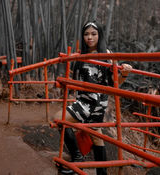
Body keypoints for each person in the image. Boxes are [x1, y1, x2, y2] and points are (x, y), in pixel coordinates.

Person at [54, 21, 133, 175]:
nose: (89, 37)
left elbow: (112, 82)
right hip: (84, 99)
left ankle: (77, 158)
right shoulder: (82, 54)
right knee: (96, 136)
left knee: (59, 119)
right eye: (86, 34)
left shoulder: (106, 54)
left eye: (93, 34)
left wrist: (124, 73)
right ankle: (101, 173)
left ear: (100, 35)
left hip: (93, 102)